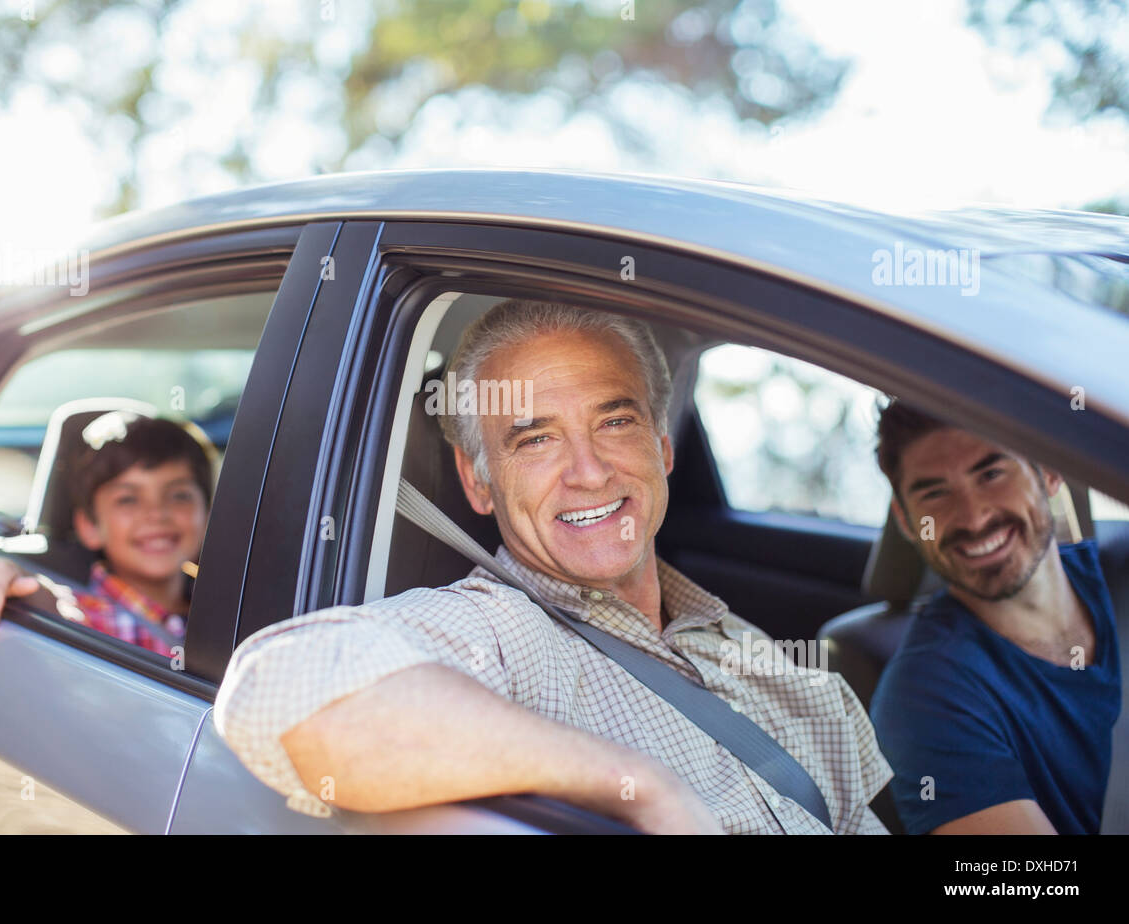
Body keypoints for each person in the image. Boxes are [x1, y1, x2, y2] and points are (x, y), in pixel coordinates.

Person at [213, 300, 892, 834]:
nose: (591, 472)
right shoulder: (498, 633)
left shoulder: (748, 644)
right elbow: (280, 687)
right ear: (479, 482)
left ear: (662, 447)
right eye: (536, 440)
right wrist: (644, 786)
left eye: (614, 423)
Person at [868, 401, 1121, 834]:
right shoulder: (923, 700)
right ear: (906, 521)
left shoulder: (1122, 574)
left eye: (991, 474)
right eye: (934, 493)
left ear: (1050, 472)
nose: (974, 516)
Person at [0, 413, 212, 659]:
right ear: (90, 527)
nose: (157, 513)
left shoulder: (227, 609)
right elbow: (50, 603)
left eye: (179, 495)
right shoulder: (88, 617)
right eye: (128, 499)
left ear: (209, 514)